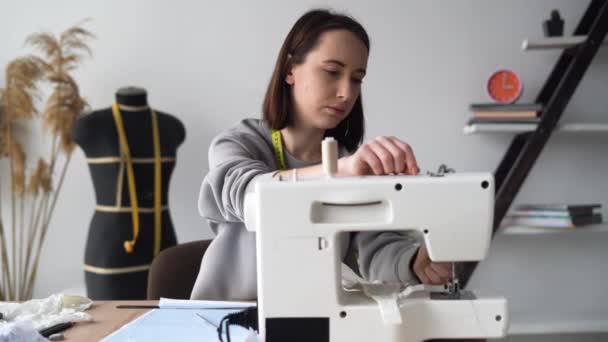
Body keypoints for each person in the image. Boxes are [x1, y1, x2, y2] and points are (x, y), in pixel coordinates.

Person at [191, 9, 452, 301]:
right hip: (226, 319)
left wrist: (413, 263)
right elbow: (242, 194)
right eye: (331, 72)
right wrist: (338, 174)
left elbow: (377, 249)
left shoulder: (352, 166)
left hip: (309, 319)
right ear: (290, 70)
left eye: (357, 79)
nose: (346, 93)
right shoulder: (241, 143)